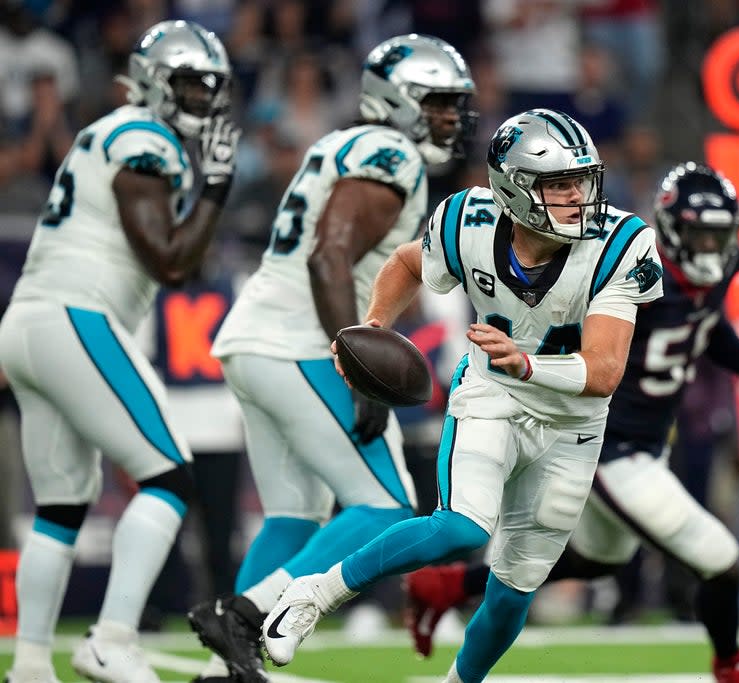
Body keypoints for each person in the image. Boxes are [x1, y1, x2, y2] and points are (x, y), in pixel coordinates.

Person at [259, 108, 664, 683]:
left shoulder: (622, 242)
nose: (578, 196)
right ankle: (314, 594)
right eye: (558, 184)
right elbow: (406, 263)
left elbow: (602, 371)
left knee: (513, 591)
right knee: (463, 527)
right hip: (492, 398)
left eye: (581, 180)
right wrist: (374, 326)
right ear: (512, 189)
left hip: (573, 423)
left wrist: (525, 361)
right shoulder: (465, 221)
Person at [403, 163, 739, 683]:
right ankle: (731, 665)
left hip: (646, 444)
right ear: (670, 230)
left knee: (599, 559)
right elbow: (584, 358)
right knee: (721, 560)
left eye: (719, 236)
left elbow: (707, 326)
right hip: (608, 445)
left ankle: (448, 586)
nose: (710, 248)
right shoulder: (631, 277)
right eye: (699, 235)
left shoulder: (716, 274)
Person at [185, 34, 477, 683]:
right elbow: (329, 254)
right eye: (436, 102)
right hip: (300, 344)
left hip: (256, 340)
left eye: (454, 105)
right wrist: (360, 361)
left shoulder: (339, 144)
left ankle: (221, 672)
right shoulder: (390, 151)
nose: (449, 118)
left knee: (295, 515)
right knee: (387, 504)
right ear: (395, 101)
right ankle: (245, 612)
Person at [0, 19, 238, 683]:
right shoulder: (144, 138)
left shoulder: (112, 133)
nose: (201, 100)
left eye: (209, 87)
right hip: (77, 314)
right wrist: (216, 187)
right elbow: (168, 261)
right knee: (169, 476)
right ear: (156, 82)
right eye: (190, 83)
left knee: (61, 506)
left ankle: (29, 664)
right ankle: (112, 636)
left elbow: (171, 257)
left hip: (30, 319)